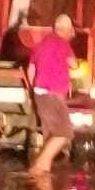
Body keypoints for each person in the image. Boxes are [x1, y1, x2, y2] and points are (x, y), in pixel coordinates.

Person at [27, 12, 78, 174]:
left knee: (50, 136)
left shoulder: (41, 44)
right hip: (53, 94)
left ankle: (43, 175)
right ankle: (39, 166)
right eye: (70, 31)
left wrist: (32, 90)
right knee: (64, 132)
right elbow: (74, 64)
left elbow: (31, 70)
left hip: (39, 93)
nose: (71, 34)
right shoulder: (63, 44)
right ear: (66, 30)